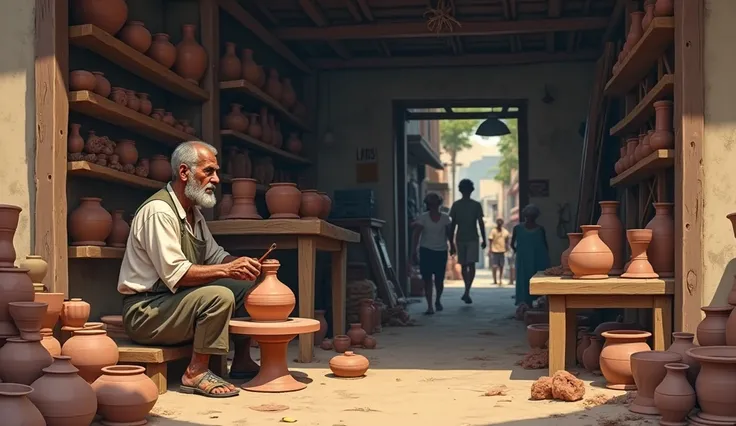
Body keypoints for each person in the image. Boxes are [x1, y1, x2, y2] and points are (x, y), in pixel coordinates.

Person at [117, 141, 263, 398]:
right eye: (208, 171)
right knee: (219, 295)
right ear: (184, 173)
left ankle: (241, 359)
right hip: (146, 312)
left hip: (171, 303)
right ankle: (195, 372)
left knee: (245, 284)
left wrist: (244, 264)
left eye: (216, 172)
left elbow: (217, 256)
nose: (216, 179)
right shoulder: (159, 212)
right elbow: (178, 274)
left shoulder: (194, 214)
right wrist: (228, 269)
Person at [410, 193, 454, 315]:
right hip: (426, 251)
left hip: (441, 251)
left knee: (439, 280)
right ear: (428, 205)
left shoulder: (445, 218)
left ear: (439, 204)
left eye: (435, 204)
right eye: (431, 204)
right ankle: (430, 306)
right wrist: (414, 250)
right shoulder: (423, 218)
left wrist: (453, 246)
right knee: (427, 279)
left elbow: (449, 234)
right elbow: (416, 234)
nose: (433, 206)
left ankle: (438, 300)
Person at [449, 179, 487, 304]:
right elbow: (480, 223)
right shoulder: (475, 205)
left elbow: (452, 225)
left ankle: (467, 290)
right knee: (470, 265)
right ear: (472, 190)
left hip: (462, 238)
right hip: (471, 238)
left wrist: (451, 243)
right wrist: (484, 239)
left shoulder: (456, 205)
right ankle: (467, 290)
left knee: (465, 265)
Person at [510, 204, 550, 307]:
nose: (530, 218)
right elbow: (546, 246)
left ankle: (537, 301)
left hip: (536, 259)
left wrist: (519, 251)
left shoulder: (538, 229)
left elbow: (512, 245)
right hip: (528, 258)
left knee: (534, 279)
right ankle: (526, 302)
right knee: (525, 279)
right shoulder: (518, 228)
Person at [488, 218, 510, 285]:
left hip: (502, 250)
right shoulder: (493, 231)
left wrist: (507, 248)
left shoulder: (505, 231)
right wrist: (490, 249)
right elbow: (490, 240)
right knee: (494, 266)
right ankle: (495, 280)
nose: (499, 223)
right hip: (495, 250)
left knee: (501, 266)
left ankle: (500, 279)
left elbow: (507, 241)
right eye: (498, 222)